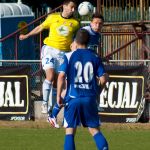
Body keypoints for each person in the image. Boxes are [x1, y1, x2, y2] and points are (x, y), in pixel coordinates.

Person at [19, 0, 80, 117]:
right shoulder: (52, 18)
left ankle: (52, 110)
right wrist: (27, 35)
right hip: (49, 50)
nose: (73, 10)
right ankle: (45, 103)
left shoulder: (75, 23)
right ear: (64, 6)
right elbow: (40, 27)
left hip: (63, 54)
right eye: (71, 7)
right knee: (50, 76)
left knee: (59, 84)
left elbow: (77, 40)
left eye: (74, 8)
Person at [48, 13, 104, 128]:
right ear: (91, 23)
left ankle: (54, 116)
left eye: (100, 24)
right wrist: (78, 58)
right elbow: (73, 46)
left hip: (83, 62)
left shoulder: (97, 35)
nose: (97, 25)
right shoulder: (85, 31)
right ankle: (56, 116)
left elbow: (91, 50)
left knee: (68, 91)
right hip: (76, 63)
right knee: (68, 90)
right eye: (95, 23)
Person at [57, 29, 109, 150]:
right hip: (89, 98)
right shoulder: (95, 57)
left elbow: (61, 76)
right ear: (89, 41)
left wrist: (58, 95)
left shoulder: (69, 56)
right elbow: (104, 79)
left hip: (73, 97)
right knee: (95, 130)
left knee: (70, 131)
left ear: (75, 41)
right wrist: (97, 92)